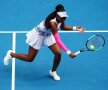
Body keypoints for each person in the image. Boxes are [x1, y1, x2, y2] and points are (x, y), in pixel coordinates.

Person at [4, 4, 84, 81]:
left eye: (64, 18)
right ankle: (11, 54)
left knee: (58, 53)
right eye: (62, 18)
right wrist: (69, 52)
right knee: (30, 58)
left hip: (47, 35)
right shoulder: (52, 23)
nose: (64, 19)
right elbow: (58, 41)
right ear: (57, 16)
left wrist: (76, 28)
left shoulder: (61, 19)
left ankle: (53, 72)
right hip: (38, 36)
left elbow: (63, 27)